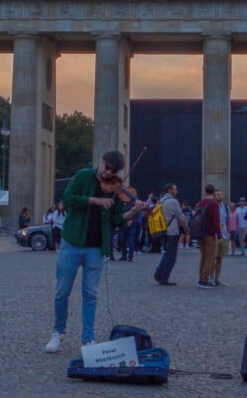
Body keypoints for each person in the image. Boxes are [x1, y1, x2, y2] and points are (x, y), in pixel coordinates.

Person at [45, 150, 147, 354]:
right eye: (106, 167)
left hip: (96, 247)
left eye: (113, 171)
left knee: (90, 294)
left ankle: (88, 339)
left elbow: (117, 219)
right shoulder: (83, 176)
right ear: (101, 162)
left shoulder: (117, 190)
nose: (108, 173)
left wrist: (134, 211)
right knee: (62, 291)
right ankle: (58, 332)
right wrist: (94, 200)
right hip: (72, 242)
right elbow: (67, 199)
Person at [153, 183, 187, 286]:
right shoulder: (173, 201)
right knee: (171, 256)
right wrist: (186, 226)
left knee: (167, 253)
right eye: (175, 189)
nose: (176, 191)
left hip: (163, 230)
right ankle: (164, 278)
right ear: (169, 190)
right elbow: (180, 216)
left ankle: (158, 273)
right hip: (172, 231)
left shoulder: (161, 200)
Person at [196, 184, 221, 289]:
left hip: (200, 233)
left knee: (203, 257)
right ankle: (205, 280)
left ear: (205, 191)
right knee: (210, 257)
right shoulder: (214, 204)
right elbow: (216, 221)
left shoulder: (201, 203)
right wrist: (219, 234)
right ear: (214, 192)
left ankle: (201, 278)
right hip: (210, 234)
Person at [213, 189, 230, 286]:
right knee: (212, 258)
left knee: (220, 258)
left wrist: (228, 235)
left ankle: (217, 278)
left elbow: (228, 221)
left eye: (221, 194)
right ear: (214, 196)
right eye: (217, 194)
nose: (220, 196)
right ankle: (210, 278)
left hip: (223, 235)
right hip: (214, 235)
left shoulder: (226, 208)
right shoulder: (212, 206)